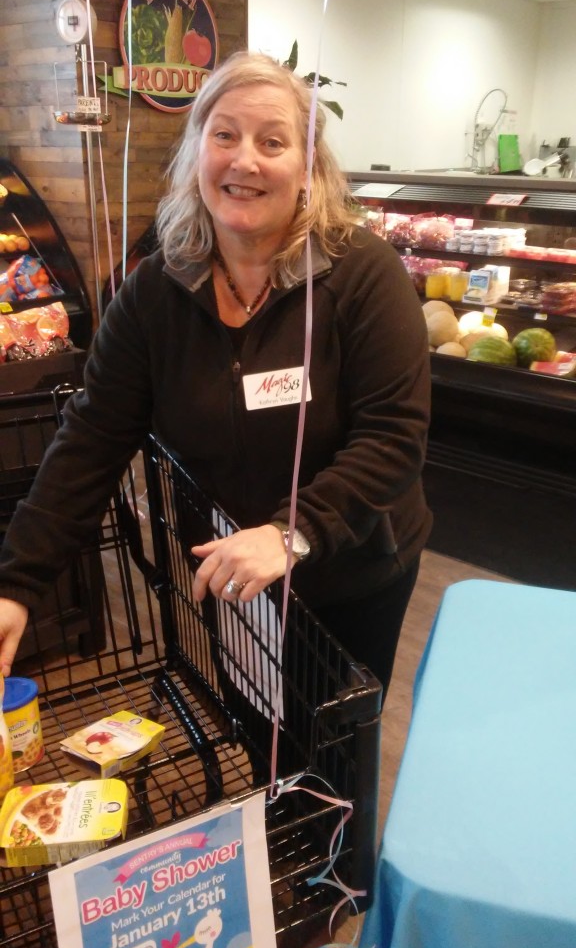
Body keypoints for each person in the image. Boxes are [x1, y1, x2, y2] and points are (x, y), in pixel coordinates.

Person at [0, 50, 431, 702]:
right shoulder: (155, 291)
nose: (244, 160)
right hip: (231, 575)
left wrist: (294, 532)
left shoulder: (362, 275)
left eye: (272, 141)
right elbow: (90, 437)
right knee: (257, 728)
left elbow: (393, 438)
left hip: (352, 570)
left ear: (309, 168)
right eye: (223, 134)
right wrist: (15, 582)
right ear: (196, 152)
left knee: (334, 755)